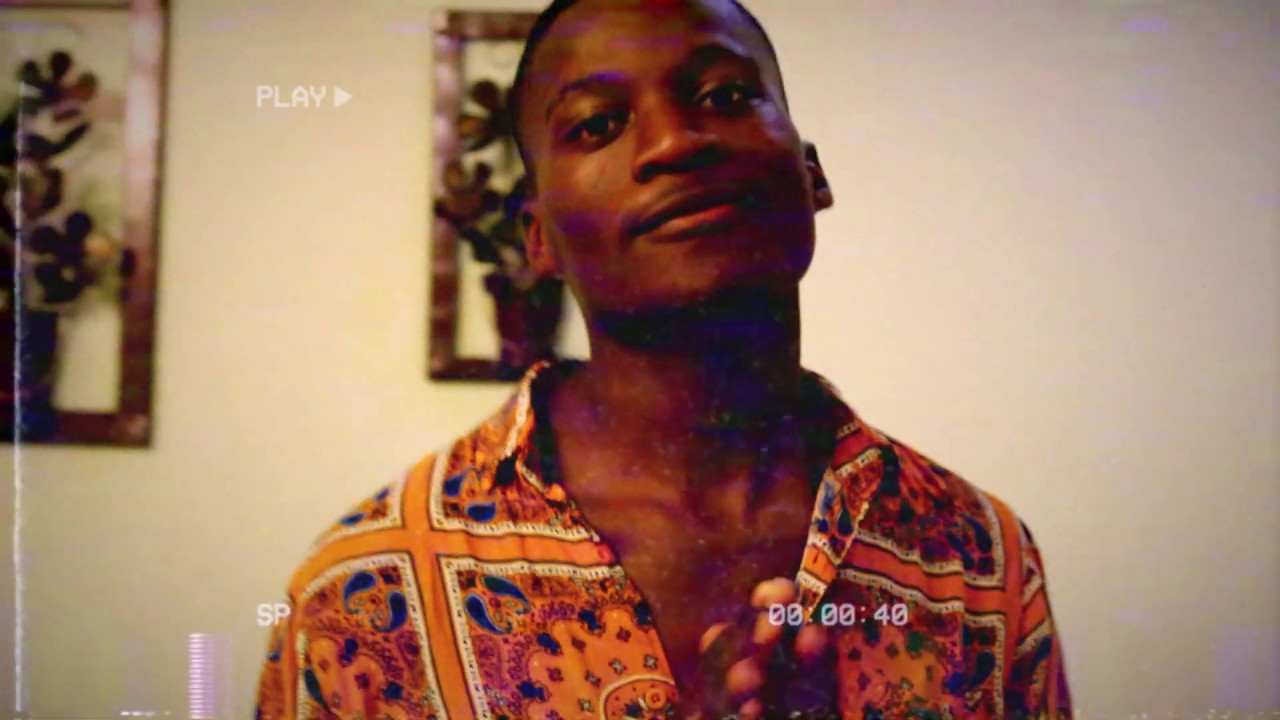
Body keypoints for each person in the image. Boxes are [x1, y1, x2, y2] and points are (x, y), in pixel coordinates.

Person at [253, 0, 1073, 717]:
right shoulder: (365, 594)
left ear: (811, 174)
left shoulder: (977, 559)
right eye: (596, 125)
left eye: (725, 95)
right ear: (539, 238)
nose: (677, 141)